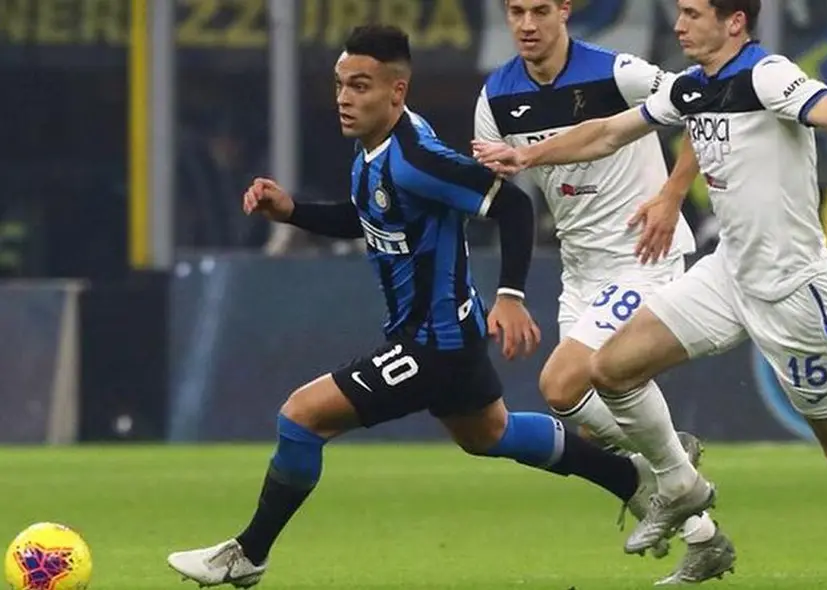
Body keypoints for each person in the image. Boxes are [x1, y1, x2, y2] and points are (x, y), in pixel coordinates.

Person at [473, 0, 827, 583]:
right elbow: (606, 133)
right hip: (726, 275)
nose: (679, 26)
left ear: (735, 22)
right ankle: (677, 483)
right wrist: (526, 154)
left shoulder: (767, 74)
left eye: (694, 14)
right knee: (610, 368)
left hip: (792, 289)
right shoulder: (695, 87)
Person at [166, 25, 683, 588]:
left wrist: (511, 294)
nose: (344, 97)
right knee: (491, 434)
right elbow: (363, 218)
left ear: (396, 91)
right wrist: (293, 211)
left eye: (360, 86)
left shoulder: (417, 157)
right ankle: (629, 478)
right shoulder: (373, 152)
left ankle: (248, 555)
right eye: (340, 84)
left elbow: (510, 205)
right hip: (446, 339)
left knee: (301, 416)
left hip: (432, 344)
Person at [474, 0, 735, 581]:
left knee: (561, 381)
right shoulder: (495, 98)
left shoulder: (618, 72)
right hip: (581, 272)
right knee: (589, 420)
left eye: (540, 10)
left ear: (565, 10)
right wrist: (509, 290)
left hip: (642, 256)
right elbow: (506, 198)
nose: (527, 24)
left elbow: (704, 105)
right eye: (515, 11)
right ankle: (704, 533)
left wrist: (671, 196)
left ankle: (677, 470)